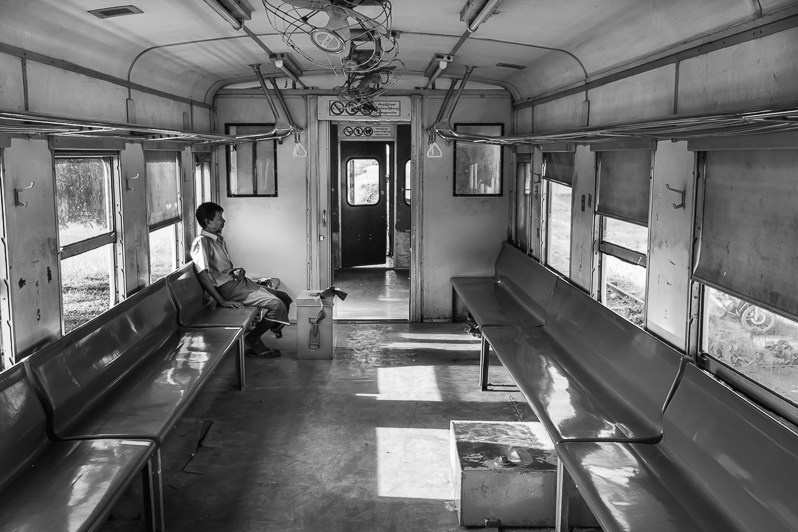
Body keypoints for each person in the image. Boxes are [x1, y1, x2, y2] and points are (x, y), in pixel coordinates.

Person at [191, 202, 291, 358]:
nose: (223, 221)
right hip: (229, 289)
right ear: (207, 221)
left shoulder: (218, 239)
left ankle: (275, 325)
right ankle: (253, 339)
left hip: (238, 282)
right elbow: (203, 275)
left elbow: (220, 270)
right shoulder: (201, 242)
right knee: (277, 305)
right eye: (219, 218)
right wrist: (222, 301)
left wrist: (237, 270)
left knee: (284, 297)